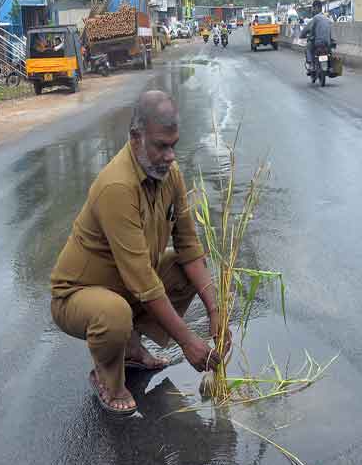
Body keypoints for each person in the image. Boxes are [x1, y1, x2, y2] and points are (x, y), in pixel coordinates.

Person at [50, 91, 231, 415]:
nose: (170, 155)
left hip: (125, 285)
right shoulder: (116, 187)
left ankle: (132, 349)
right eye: (162, 145)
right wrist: (188, 341)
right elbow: (144, 282)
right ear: (136, 138)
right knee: (114, 314)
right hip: (77, 297)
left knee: (183, 269)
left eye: (174, 144)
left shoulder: (168, 174)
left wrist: (217, 310)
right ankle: (108, 378)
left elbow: (189, 245)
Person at [300, 0, 334, 74]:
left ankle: (311, 65)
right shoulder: (328, 19)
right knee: (330, 51)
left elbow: (310, 31)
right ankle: (331, 66)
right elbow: (330, 32)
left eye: (313, 8)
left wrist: (306, 36)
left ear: (317, 8)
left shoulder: (315, 18)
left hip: (318, 42)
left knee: (308, 48)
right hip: (327, 42)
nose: (312, 10)